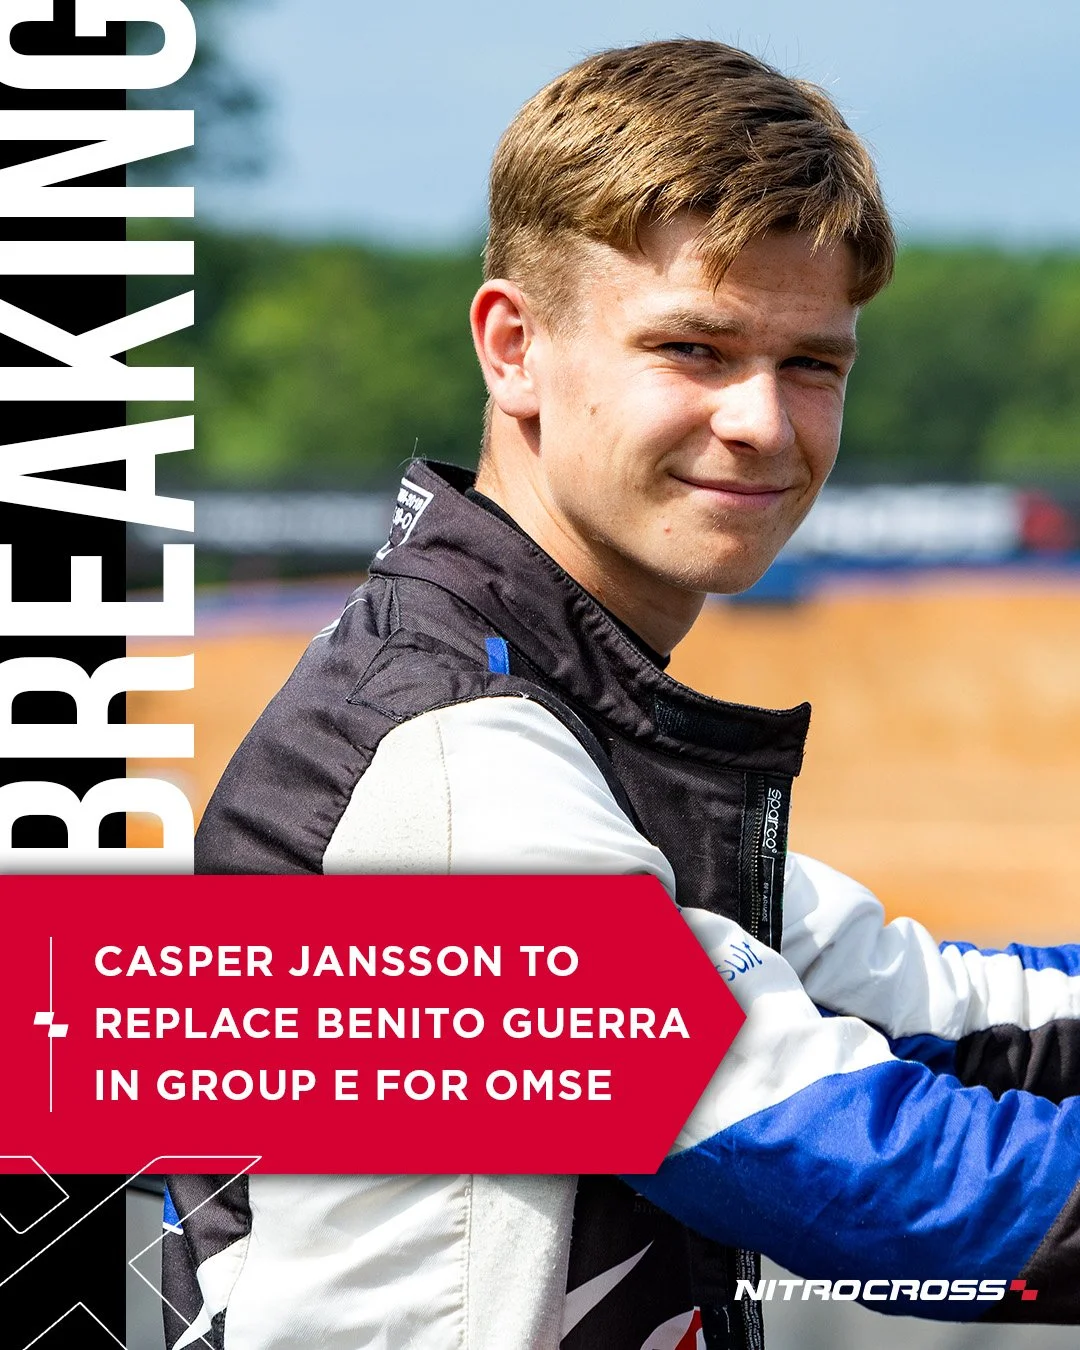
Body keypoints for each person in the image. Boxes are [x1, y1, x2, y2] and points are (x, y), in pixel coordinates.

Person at [169, 38, 1080, 1350]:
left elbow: (957, 1016)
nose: (763, 422)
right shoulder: (453, 759)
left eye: (812, 364)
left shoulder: (565, 723)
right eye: (694, 348)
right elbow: (870, 1173)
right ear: (514, 348)